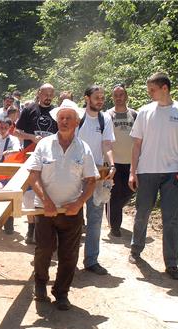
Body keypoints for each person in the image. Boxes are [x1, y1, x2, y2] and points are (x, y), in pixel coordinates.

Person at [28, 99, 98, 310]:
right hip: (45, 210)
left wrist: (79, 203)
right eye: (61, 118)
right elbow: (33, 176)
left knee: (69, 255)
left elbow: (91, 181)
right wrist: (47, 202)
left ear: (77, 122)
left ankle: (61, 293)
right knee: (44, 250)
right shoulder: (44, 144)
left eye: (69, 118)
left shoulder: (83, 149)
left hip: (71, 211)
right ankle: (40, 284)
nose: (64, 121)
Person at [127, 72, 178, 280]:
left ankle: (172, 264)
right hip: (147, 170)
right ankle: (135, 249)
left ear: (164, 88)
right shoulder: (144, 112)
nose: (149, 93)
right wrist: (133, 171)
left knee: (171, 219)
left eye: (152, 89)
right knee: (142, 213)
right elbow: (137, 144)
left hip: (173, 173)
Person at [77, 85, 116, 275]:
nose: (100, 100)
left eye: (102, 97)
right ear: (87, 98)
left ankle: (91, 260)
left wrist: (112, 164)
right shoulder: (77, 117)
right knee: (72, 216)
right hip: (75, 174)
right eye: (96, 97)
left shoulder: (105, 118)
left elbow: (106, 143)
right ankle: (66, 257)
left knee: (95, 218)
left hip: (98, 174)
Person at [14, 83, 58, 244]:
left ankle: (46, 229)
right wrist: (32, 137)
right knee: (30, 195)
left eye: (51, 94)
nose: (48, 97)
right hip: (30, 157)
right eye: (45, 94)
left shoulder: (56, 112)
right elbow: (16, 132)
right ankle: (31, 228)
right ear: (39, 94)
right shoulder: (29, 110)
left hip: (51, 160)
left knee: (48, 192)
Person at [107, 84, 137, 237]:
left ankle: (112, 208)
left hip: (132, 161)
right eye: (116, 95)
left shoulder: (134, 115)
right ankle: (115, 226)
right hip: (114, 162)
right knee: (116, 193)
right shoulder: (107, 115)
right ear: (112, 97)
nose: (119, 98)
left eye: (121, 95)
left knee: (129, 190)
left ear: (126, 96)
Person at [0, 118, 21, 234]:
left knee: (8, 197)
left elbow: (18, 150)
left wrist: (10, 152)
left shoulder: (13, 139)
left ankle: (8, 225)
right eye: (1, 128)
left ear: (10, 128)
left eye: (5, 128)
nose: (3, 130)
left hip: (7, 173)